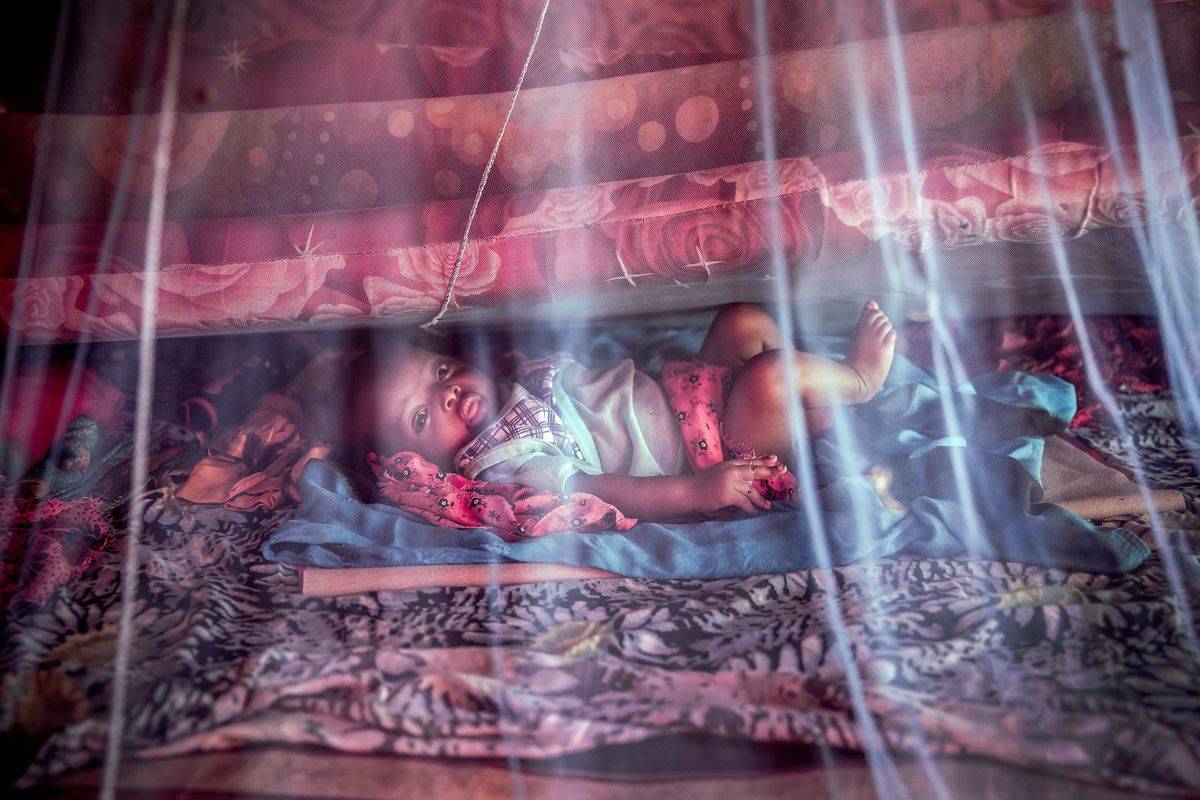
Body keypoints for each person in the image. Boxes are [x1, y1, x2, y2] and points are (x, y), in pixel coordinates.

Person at [349, 302, 896, 522]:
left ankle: (810, 408)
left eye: (440, 372)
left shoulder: (511, 392)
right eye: (422, 419)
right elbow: (598, 490)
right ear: (416, 462)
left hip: (694, 397)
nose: (446, 394)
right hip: (712, 455)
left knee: (740, 321)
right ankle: (860, 381)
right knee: (769, 375)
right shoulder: (506, 464)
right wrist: (697, 493)